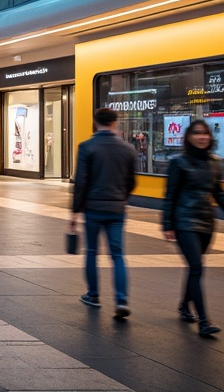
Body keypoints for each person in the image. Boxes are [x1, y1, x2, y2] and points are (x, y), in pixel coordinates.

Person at [161, 118, 224, 336]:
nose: (202, 137)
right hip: (184, 222)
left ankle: (184, 304)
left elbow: (219, 194)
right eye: (197, 133)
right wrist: (168, 224)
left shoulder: (214, 162)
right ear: (189, 137)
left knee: (194, 268)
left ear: (210, 137)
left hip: (206, 223)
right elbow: (170, 195)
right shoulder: (178, 162)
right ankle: (204, 321)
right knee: (196, 267)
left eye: (205, 134)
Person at [70, 108, 137, 320]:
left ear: (95, 122)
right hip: (117, 208)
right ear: (115, 122)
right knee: (117, 254)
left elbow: (81, 182)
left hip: (93, 208)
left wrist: (75, 212)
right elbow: (132, 182)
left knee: (91, 251)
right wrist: (121, 197)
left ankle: (93, 295)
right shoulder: (127, 148)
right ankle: (121, 299)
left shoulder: (87, 147)